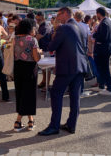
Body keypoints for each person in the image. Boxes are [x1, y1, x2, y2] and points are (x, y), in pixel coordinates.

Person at [38, 7, 87, 136]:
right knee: (75, 96)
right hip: (79, 66)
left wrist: (44, 37)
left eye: (59, 14)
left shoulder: (64, 28)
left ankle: (54, 126)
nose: (58, 17)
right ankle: (71, 125)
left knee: (55, 93)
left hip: (67, 66)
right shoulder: (80, 26)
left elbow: (51, 46)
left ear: (65, 13)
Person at [13, 19, 41, 132]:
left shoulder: (14, 39)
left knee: (21, 93)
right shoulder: (32, 40)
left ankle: (30, 120)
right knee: (29, 94)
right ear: (30, 28)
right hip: (30, 68)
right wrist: (39, 52)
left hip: (18, 68)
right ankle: (18, 121)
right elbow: (36, 58)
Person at [90, 7, 111, 95]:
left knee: (104, 68)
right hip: (106, 48)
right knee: (103, 68)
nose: (96, 16)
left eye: (97, 14)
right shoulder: (109, 21)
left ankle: (109, 88)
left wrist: (95, 33)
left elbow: (102, 37)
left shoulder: (104, 23)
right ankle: (102, 86)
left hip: (102, 49)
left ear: (99, 14)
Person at [35, 11, 53, 90]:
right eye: (36, 19)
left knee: (47, 68)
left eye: (38, 19)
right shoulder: (41, 25)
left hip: (46, 50)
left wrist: (33, 37)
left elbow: (39, 36)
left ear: (42, 17)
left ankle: (47, 84)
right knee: (43, 67)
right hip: (42, 49)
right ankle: (43, 81)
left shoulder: (45, 26)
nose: (36, 21)